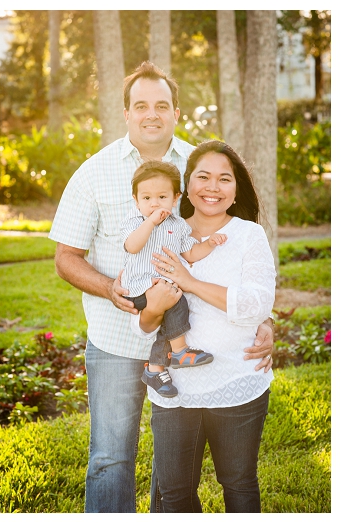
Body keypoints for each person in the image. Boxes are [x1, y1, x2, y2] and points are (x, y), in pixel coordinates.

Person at [48, 61, 274, 513]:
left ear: (176, 112)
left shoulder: (198, 168)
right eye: (141, 105)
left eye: (162, 105)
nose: (151, 114)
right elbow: (65, 258)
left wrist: (260, 317)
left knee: (171, 469)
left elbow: (237, 245)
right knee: (111, 457)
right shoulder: (94, 172)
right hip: (116, 337)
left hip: (184, 341)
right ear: (126, 113)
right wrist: (112, 289)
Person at [140, 140, 276, 512]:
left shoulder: (249, 235)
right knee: (175, 493)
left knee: (239, 483)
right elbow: (146, 325)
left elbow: (257, 304)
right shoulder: (164, 233)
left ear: (236, 190)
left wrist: (191, 281)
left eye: (224, 179)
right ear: (187, 185)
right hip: (174, 387)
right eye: (203, 176)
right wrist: (152, 310)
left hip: (237, 381)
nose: (213, 187)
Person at [122, 160, 225, 398]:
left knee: (173, 310)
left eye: (161, 197)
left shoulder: (178, 226)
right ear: (136, 200)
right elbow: (132, 246)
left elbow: (190, 253)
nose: (154, 204)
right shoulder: (135, 221)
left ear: (175, 198)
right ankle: (179, 352)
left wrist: (208, 244)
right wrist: (150, 221)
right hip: (140, 288)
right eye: (146, 198)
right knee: (177, 304)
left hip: (164, 288)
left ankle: (155, 369)